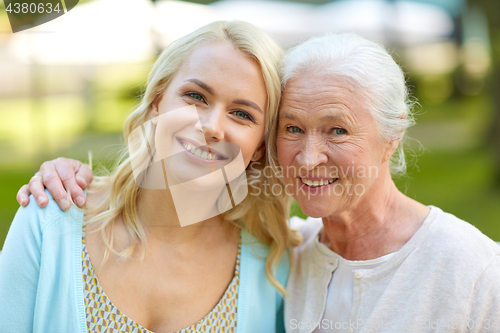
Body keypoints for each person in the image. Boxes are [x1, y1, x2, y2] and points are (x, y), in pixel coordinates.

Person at [16, 33, 500, 332]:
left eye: (338, 129)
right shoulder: (286, 255)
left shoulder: (476, 271)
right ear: (157, 99)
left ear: (391, 135)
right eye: (292, 128)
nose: (310, 157)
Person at [0, 20, 300, 333]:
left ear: (260, 147)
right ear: (157, 101)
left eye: (242, 114)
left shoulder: (272, 266)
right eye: (196, 96)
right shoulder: (49, 221)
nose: (211, 126)